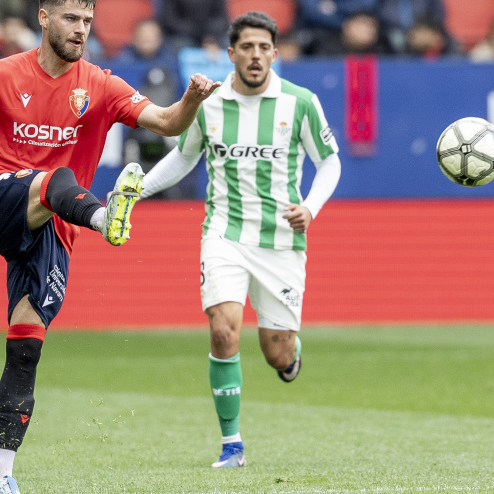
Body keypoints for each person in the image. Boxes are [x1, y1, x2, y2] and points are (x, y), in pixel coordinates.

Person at [0, 0, 219, 492]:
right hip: (0, 201)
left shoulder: (101, 84)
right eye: (70, 19)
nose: (80, 30)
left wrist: (191, 97)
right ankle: (106, 218)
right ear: (44, 18)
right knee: (53, 178)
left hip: (54, 229)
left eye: (87, 21)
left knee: (26, 347)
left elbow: (168, 122)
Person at [140, 11, 341, 468]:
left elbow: (330, 162)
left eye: (264, 47)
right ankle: (232, 444)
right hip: (224, 233)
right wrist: (135, 192)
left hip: (280, 240)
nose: (255, 56)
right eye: (246, 47)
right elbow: (183, 159)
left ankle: (289, 355)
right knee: (223, 328)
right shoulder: (208, 105)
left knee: (277, 351)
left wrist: (310, 206)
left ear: (275, 52)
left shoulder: (300, 102)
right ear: (231, 54)